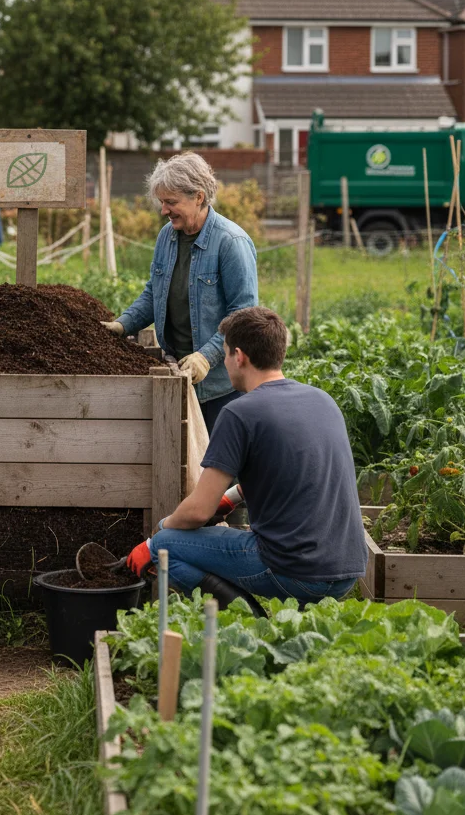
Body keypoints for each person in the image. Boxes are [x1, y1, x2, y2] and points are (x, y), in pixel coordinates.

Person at [120, 307, 366, 607]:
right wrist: (234, 496)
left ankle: (252, 619)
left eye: (224, 355)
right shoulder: (322, 400)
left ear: (239, 356)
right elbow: (293, 472)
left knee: (165, 548)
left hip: (297, 572)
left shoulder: (240, 412)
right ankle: (288, 617)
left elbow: (198, 512)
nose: (224, 363)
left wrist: (155, 535)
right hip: (347, 570)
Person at [102, 152, 258, 433]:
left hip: (220, 387)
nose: (164, 210)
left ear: (198, 196)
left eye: (171, 202)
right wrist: (123, 324)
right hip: (177, 373)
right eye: (162, 202)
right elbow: (154, 294)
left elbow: (243, 315)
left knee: (218, 469)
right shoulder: (167, 236)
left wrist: (206, 356)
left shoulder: (231, 242)